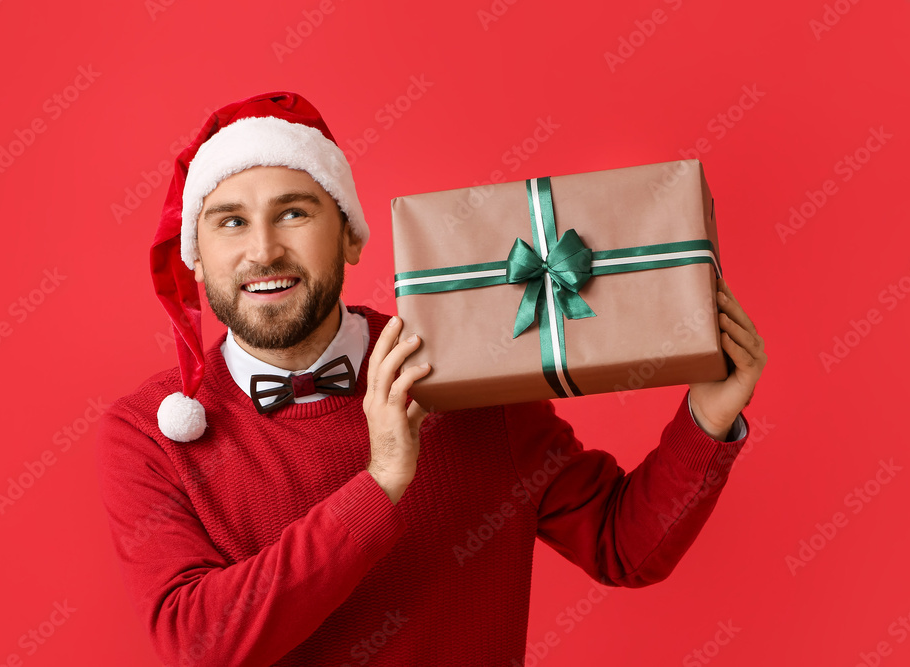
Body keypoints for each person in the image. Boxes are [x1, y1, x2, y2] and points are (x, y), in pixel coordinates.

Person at [94, 91, 767, 667]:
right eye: (231, 221)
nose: (264, 248)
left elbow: (623, 546)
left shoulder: (468, 369)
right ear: (198, 260)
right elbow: (201, 641)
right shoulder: (149, 432)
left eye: (295, 212)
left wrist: (708, 417)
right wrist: (381, 482)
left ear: (351, 236)